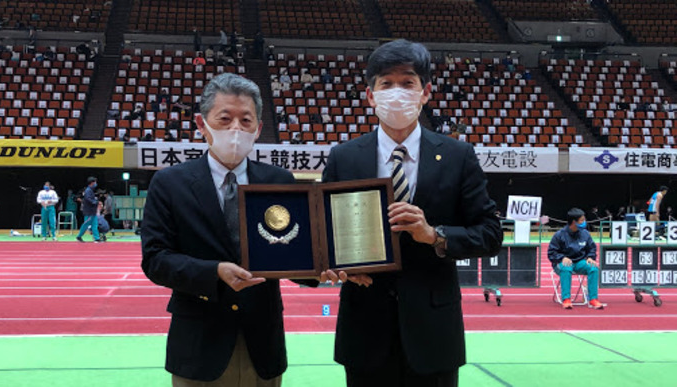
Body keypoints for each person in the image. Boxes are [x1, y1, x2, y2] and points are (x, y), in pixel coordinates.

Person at [320, 39, 502, 387]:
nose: (397, 92)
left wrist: (434, 235)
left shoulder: (457, 156)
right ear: (370, 96)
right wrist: (331, 264)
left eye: (407, 82)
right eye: (386, 83)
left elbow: (490, 234)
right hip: (364, 331)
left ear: (426, 92)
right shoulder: (344, 157)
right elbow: (325, 236)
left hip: (434, 333)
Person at [141, 73, 315, 386]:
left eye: (246, 120)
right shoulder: (170, 183)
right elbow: (155, 260)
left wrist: (326, 268)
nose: (236, 129)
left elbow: (296, 254)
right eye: (225, 119)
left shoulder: (279, 182)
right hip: (198, 345)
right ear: (201, 124)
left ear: (258, 128)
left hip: (262, 342)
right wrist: (214, 272)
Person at [548, 208, 605, 310]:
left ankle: (593, 299)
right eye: (582, 220)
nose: (584, 222)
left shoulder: (585, 234)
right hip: (562, 263)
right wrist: (562, 257)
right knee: (566, 268)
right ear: (574, 222)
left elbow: (591, 248)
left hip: (579, 262)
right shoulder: (559, 235)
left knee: (593, 268)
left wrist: (591, 257)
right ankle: (566, 299)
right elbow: (551, 253)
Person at [76, 177, 101, 243]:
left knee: (94, 225)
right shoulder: (88, 190)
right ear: (92, 183)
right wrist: (95, 202)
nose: (95, 183)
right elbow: (88, 199)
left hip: (92, 211)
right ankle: (79, 236)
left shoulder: (90, 190)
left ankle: (97, 238)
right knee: (86, 224)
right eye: (95, 182)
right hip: (89, 211)